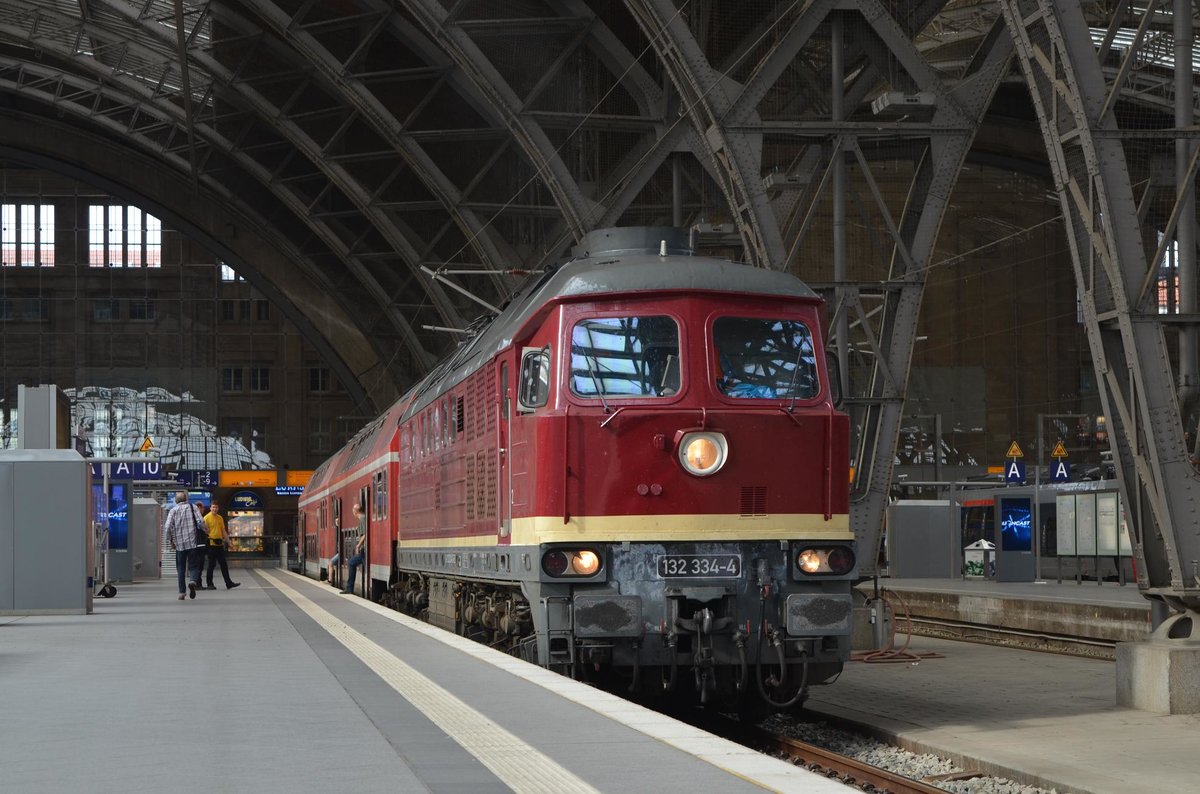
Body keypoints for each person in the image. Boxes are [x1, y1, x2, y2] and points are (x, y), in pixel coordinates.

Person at [163, 491, 205, 600]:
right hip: (192, 543)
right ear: (186, 499)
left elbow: (167, 527)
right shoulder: (193, 507)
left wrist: (169, 540)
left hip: (179, 545)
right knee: (193, 565)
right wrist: (205, 530)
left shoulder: (173, 511)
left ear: (176, 500)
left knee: (180, 568)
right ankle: (193, 580)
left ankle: (182, 592)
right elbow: (201, 521)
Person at [203, 502, 240, 591]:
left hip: (219, 544)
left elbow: (223, 531)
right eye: (213, 507)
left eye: (216, 507)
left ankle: (228, 583)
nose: (215, 509)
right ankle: (210, 584)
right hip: (211, 544)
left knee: (224, 564)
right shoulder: (206, 518)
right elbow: (204, 530)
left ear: (218, 508)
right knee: (211, 565)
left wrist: (229, 542)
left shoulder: (220, 518)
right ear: (210, 508)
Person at [342, 502, 367, 595]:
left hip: (364, 549)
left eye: (353, 510)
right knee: (352, 563)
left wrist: (358, 545)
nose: (352, 512)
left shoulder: (362, 519)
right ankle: (349, 588)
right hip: (363, 549)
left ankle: (349, 588)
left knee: (351, 563)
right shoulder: (362, 518)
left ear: (356, 511)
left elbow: (365, 534)